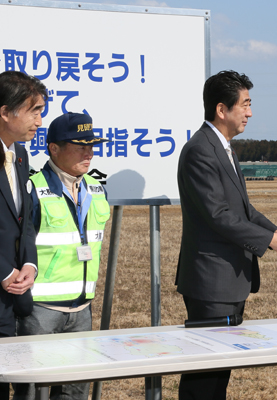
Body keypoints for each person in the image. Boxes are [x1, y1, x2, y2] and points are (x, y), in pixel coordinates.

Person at [176, 70, 277, 400]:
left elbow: (243, 209)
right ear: (222, 109)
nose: (250, 112)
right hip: (211, 281)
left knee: (220, 370)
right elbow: (218, 215)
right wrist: (268, 241)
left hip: (228, 279)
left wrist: (275, 230)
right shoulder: (200, 151)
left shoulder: (225, 148)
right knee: (205, 376)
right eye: (245, 105)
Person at [13, 112, 111, 400]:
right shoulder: (32, 188)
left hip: (82, 311)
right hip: (39, 313)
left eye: (91, 145)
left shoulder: (95, 187)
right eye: (79, 145)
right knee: (32, 392)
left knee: (74, 393)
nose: (89, 152)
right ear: (54, 148)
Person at [0, 70, 47, 400]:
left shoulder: (20, 155)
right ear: (4, 112)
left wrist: (29, 262)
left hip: (11, 301)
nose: (39, 122)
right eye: (33, 111)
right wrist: (3, 272)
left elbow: (25, 219)